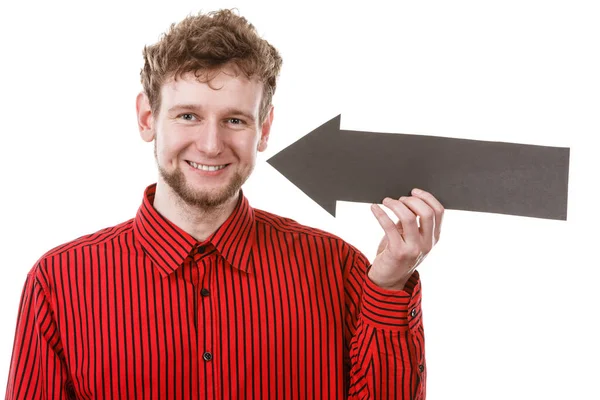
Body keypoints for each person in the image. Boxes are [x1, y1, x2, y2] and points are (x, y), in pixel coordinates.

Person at [5, 9, 444, 400]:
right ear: (146, 118)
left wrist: (388, 286)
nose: (212, 144)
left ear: (264, 129)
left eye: (234, 120)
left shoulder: (340, 270)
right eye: (188, 115)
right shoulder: (59, 283)